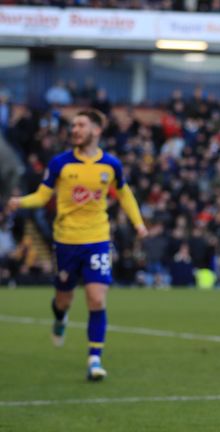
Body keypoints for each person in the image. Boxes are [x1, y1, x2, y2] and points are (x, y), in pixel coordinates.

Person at [6, 109, 147, 381]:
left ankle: (95, 359)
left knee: (96, 298)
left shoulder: (111, 165)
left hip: (97, 239)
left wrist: (138, 223)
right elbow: (43, 195)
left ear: (96, 130)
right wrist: (20, 201)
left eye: (81, 125)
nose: (75, 130)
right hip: (66, 241)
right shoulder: (61, 163)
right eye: (73, 126)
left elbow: (125, 194)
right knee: (64, 299)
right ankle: (60, 318)